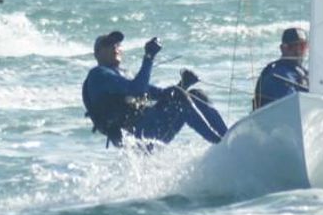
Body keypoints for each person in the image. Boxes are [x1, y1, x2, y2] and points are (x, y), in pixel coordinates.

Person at [81, 30, 227, 148]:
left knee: (195, 95)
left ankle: (226, 137)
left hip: (149, 127)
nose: (114, 47)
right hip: (138, 134)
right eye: (108, 44)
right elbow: (137, 90)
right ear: (97, 53)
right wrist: (149, 56)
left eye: (117, 44)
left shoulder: (123, 76)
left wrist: (183, 84)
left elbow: (163, 95)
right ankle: (221, 143)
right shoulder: (99, 75)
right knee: (180, 96)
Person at [253, 27, 309, 109]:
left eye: (302, 46)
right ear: (282, 48)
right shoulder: (274, 73)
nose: (298, 51)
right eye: (292, 47)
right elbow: (288, 104)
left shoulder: (306, 73)